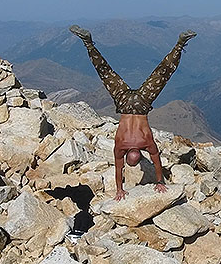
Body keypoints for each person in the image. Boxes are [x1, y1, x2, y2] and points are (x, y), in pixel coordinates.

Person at [69, 25, 197, 201]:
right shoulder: (121, 144)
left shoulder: (146, 142)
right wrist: (120, 189)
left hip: (142, 105)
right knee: (105, 73)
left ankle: (180, 44)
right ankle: (88, 43)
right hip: (125, 104)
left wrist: (160, 181)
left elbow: (155, 161)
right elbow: (119, 168)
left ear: (137, 154)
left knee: (162, 73)